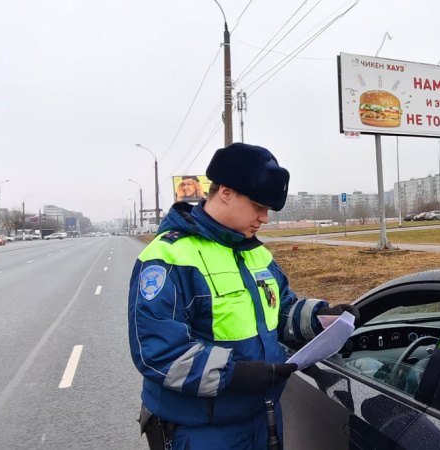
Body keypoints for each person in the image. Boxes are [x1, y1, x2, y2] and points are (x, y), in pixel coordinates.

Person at [128, 143, 357, 450]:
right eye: (258, 207)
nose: (264, 218)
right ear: (226, 192)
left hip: (264, 419)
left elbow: (281, 310)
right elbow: (157, 353)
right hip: (201, 431)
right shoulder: (169, 256)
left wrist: (321, 318)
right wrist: (234, 373)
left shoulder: (256, 253)